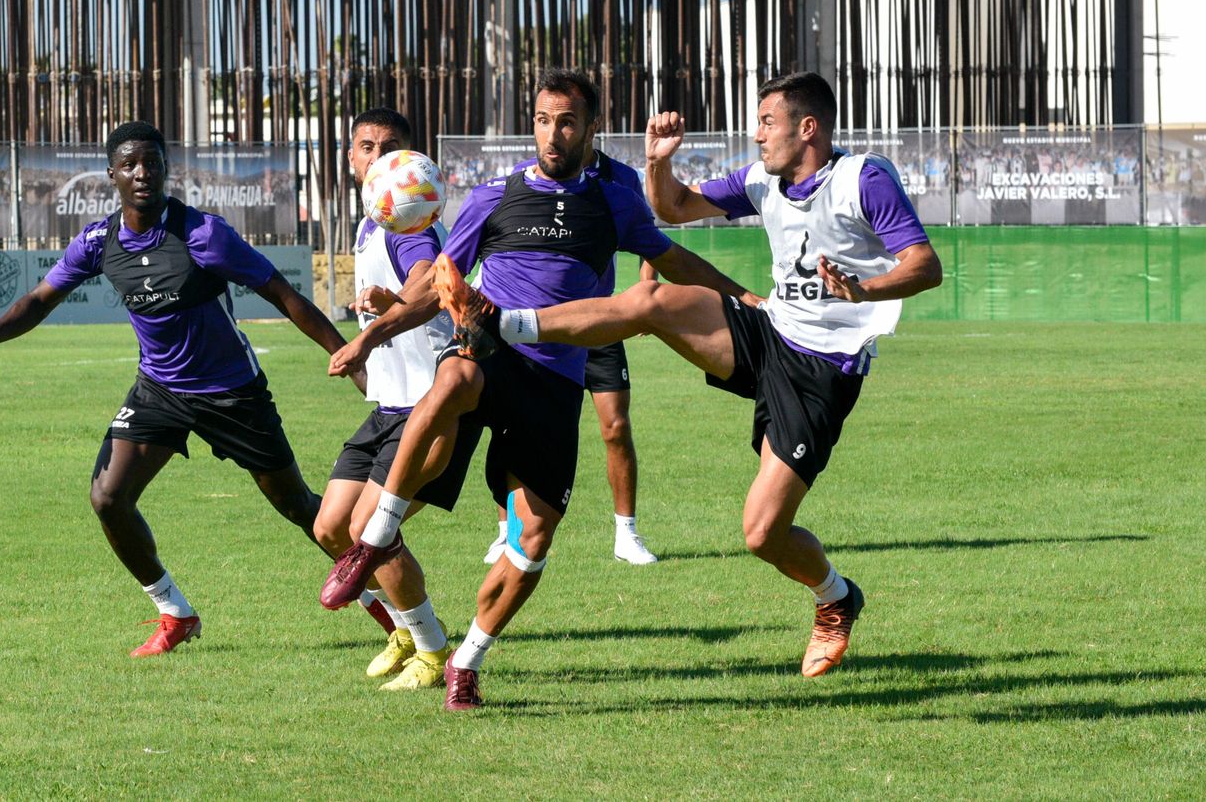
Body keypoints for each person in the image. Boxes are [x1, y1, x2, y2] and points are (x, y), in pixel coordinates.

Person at [441, 72, 943, 677]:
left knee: (762, 534)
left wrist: (864, 289)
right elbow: (673, 209)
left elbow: (924, 265)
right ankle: (504, 325)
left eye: (766, 123)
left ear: (806, 128)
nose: (756, 136)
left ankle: (835, 596)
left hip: (824, 369)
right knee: (650, 302)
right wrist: (657, 165)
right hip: (771, 331)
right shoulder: (763, 179)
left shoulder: (865, 179)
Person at [319, 69, 760, 710]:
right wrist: (369, 336)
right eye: (545, 120)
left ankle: (465, 660)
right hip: (490, 350)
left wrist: (744, 299)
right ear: (533, 123)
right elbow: (431, 285)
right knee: (458, 373)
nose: (555, 134)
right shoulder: (491, 196)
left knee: (533, 540)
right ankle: (376, 537)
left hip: (556, 381)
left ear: (589, 129)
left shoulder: (613, 197)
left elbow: (670, 260)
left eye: (569, 122)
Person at [0, 120, 354, 657]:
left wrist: (345, 352)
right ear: (111, 173)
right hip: (159, 390)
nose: (142, 173)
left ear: (164, 169)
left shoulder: (202, 233)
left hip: (232, 392)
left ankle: (389, 605)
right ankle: (174, 612)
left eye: (152, 163)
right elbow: (41, 299)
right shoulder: (99, 240)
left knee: (299, 508)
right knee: (108, 498)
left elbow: (278, 291)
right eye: (130, 164)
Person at [313, 107, 466, 690]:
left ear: (413, 158)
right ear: (353, 159)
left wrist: (382, 315)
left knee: (366, 531)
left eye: (391, 146)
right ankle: (404, 627)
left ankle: (431, 652)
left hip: (430, 404)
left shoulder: (408, 218)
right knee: (330, 528)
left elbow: (427, 278)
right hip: (389, 406)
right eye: (367, 146)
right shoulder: (372, 221)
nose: (379, 157)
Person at [481, 150, 657, 565]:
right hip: (536, 324)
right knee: (511, 424)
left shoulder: (622, 178)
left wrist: (647, 292)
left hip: (596, 319)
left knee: (615, 426)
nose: (560, 132)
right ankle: (508, 529)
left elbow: (648, 237)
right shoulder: (531, 172)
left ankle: (626, 534)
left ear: (591, 124)